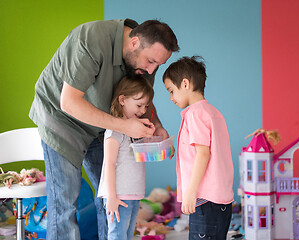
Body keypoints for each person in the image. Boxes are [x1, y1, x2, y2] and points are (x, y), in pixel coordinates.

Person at [29, 19, 179, 240]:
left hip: (102, 124)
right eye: (150, 61)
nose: (151, 70)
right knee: (65, 202)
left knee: (112, 197)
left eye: (158, 65)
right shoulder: (90, 40)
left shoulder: (143, 61)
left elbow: (139, 97)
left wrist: (157, 127)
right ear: (134, 42)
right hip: (61, 118)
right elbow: (69, 102)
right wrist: (124, 126)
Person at [162, 56, 234, 239]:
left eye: (171, 91)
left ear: (185, 83)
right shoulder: (213, 112)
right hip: (221, 199)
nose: (171, 98)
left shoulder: (195, 114)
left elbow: (203, 154)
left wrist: (190, 192)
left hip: (204, 199)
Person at [97, 75, 153, 240]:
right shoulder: (115, 130)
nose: (143, 110)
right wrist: (112, 197)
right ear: (122, 99)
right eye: (139, 105)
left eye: (146, 106)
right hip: (119, 196)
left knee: (127, 235)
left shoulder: (133, 131)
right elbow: (109, 164)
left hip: (133, 194)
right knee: (117, 235)